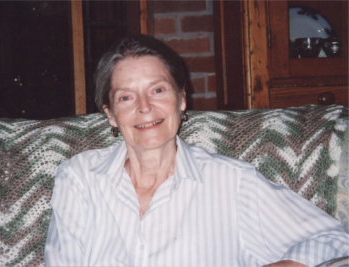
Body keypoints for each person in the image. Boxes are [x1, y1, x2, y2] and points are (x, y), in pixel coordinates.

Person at [44, 35, 348, 266]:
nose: (145, 107)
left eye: (158, 90)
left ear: (182, 99)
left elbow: (336, 238)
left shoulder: (232, 182)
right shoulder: (79, 178)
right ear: (110, 114)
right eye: (126, 97)